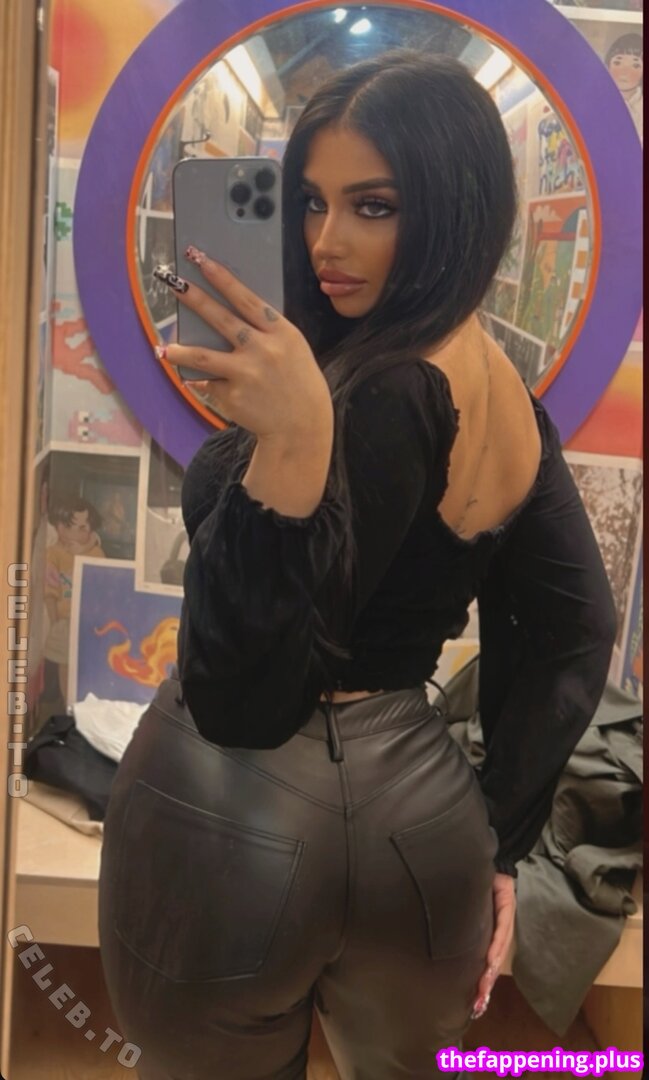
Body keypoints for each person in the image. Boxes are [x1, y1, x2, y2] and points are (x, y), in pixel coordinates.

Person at [98, 50, 616, 1080]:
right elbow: (578, 629)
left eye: (372, 207)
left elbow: (241, 701)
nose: (325, 241)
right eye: (311, 202)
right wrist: (498, 834)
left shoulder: (380, 393)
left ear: (455, 210)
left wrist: (291, 446)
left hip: (237, 807)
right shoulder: (503, 389)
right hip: (419, 819)